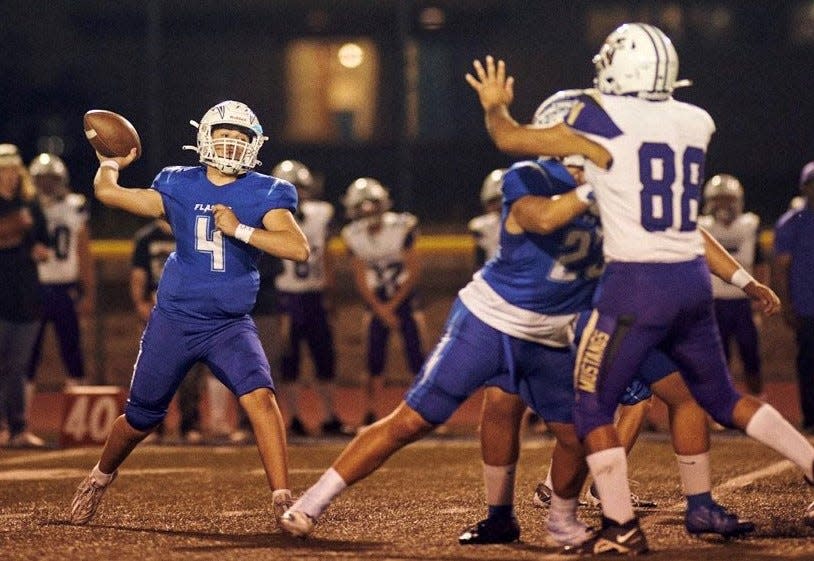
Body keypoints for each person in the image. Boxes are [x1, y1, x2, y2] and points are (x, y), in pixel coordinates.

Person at [466, 24, 814, 555]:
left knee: (588, 405)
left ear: (616, 67)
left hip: (637, 285)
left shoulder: (598, 117)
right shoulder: (696, 120)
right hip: (691, 282)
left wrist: (495, 107)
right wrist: (743, 281)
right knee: (719, 396)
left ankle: (621, 526)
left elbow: (510, 140)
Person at [69, 100, 309, 529]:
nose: (232, 144)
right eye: (225, 135)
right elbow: (109, 194)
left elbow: (297, 248)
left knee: (260, 397)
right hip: (175, 320)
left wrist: (241, 229)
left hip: (230, 323)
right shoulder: (178, 184)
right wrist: (109, 162)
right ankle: (100, 476)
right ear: (204, 138)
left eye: (241, 137)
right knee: (141, 418)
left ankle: (283, 499)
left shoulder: (266, 192)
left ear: (255, 145)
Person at [130, 218, 225, 444]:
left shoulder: (192, 231)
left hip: (189, 310)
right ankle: (152, 426)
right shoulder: (146, 238)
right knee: (154, 371)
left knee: (191, 374)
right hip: (158, 311)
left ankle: (189, 423)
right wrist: (141, 305)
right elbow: (138, 275)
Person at [339, 178, 425, 428]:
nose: (368, 210)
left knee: (417, 355)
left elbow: (414, 269)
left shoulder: (402, 226)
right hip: (376, 301)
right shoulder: (352, 235)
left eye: (372, 204)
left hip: (404, 298)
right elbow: (360, 277)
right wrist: (380, 308)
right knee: (373, 359)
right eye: (362, 205)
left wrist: (393, 305)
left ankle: (423, 410)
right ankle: (372, 411)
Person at [270, 159, 343, 436]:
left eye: (300, 188)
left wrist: (330, 293)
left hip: (314, 294)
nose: (297, 194)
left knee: (324, 356)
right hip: (286, 296)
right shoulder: (269, 214)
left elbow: (326, 256)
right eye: (291, 188)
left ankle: (329, 415)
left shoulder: (320, 213)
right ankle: (294, 417)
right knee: (289, 359)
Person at [26, 154, 95, 404]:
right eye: (41, 179)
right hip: (33, 287)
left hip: (65, 288)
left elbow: (84, 252)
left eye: (50, 179)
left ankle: (80, 416)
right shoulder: (26, 209)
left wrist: (87, 292)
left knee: (72, 351)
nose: (46, 185)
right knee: (28, 354)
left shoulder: (75, 206)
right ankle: (18, 421)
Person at [0, 144, 50, 448]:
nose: (9, 176)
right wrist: (13, 231)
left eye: (12, 170)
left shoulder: (31, 205)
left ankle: (18, 427)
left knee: (17, 366)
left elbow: (43, 246)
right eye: (3, 170)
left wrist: (31, 245)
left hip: (26, 294)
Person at [698, 174, 766, 396]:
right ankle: (717, 406)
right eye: (719, 199)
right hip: (713, 302)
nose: (724, 204)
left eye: (728, 199)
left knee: (751, 354)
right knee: (717, 358)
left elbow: (760, 264)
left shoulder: (749, 226)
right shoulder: (702, 227)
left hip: (742, 303)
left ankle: (757, 399)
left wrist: (759, 300)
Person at [772, 161, 814, 434]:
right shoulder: (791, 222)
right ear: (804, 187)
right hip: (806, 304)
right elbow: (780, 268)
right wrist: (786, 305)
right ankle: (810, 416)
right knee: (808, 362)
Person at [468, 168, 503, 268]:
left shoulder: (529, 224)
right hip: (493, 276)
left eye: (501, 201)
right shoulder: (482, 225)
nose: (499, 205)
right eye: (494, 201)